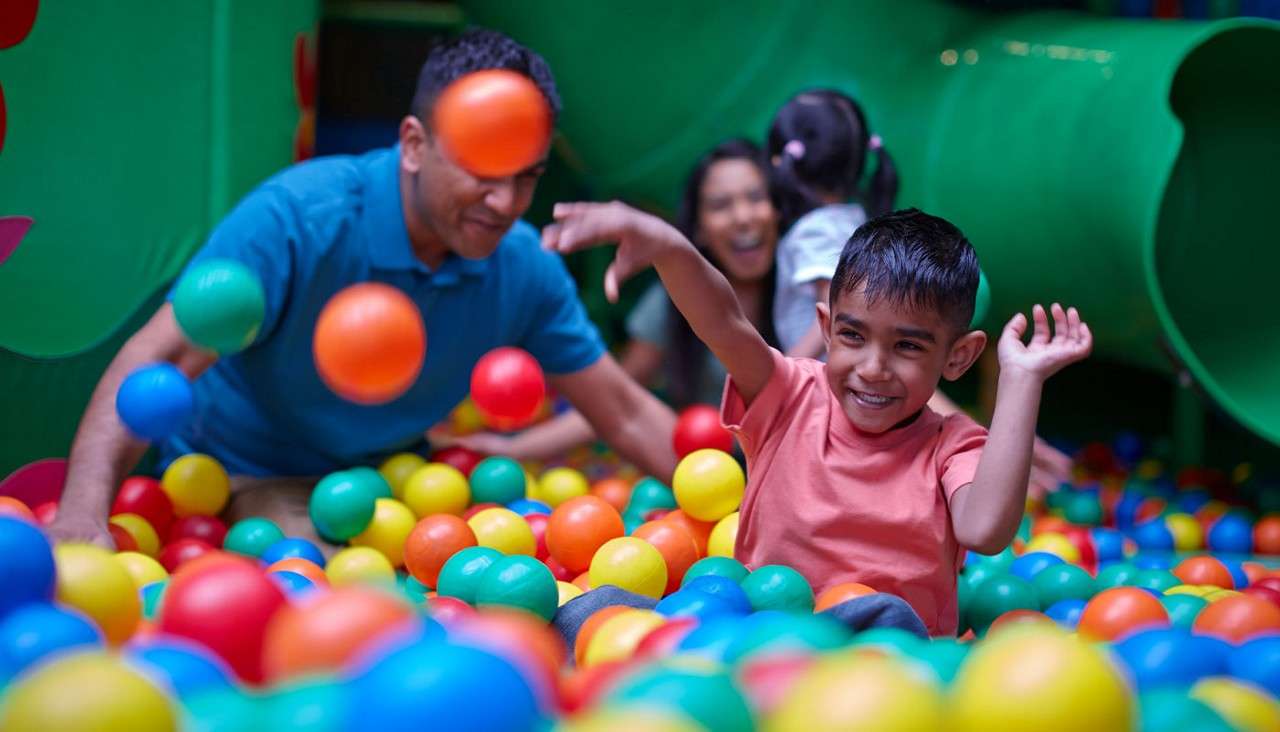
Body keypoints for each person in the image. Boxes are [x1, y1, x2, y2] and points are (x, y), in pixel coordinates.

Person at [49, 29, 677, 548]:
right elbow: (156, 361)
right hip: (246, 474)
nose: (505, 202)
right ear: (413, 144)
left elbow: (621, 410)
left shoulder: (521, 265)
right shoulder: (298, 221)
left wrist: (744, 496)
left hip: (397, 478)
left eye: (527, 177)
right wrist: (82, 514)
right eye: (483, 171)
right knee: (325, 594)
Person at [543, 202, 1092, 636]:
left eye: (907, 347)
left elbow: (984, 529)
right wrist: (668, 247)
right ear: (827, 327)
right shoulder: (788, 395)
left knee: (882, 618)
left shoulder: (952, 446)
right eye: (853, 336)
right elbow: (724, 322)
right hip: (753, 632)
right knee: (599, 608)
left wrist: (1021, 381)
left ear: (958, 357)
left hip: (881, 657)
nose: (873, 369)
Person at [768, 89, 1072, 494]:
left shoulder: (814, 230)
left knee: (940, 432)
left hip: (835, 373)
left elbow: (828, 303)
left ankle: (1012, 467)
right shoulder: (850, 217)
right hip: (865, 363)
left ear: (780, 163)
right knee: (942, 425)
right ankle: (1019, 461)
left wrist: (782, 371)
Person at [441, 138, 780, 461]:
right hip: (714, 473)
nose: (743, 216)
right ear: (701, 228)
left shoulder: (808, 285)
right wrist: (516, 448)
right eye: (721, 205)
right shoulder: (673, 300)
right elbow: (617, 400)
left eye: (755, 198)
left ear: (780, 209)